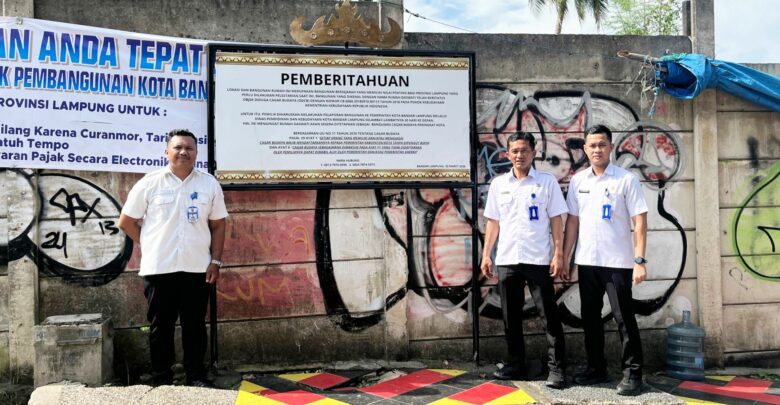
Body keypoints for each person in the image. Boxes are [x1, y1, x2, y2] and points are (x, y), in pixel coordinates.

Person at [118, 129, 227, 387]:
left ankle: (196, 376)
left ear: (196, 153)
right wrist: (150, 243)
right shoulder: (150, 183)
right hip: (159, 269)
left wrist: (216, 261)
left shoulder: (208, 184)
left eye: (189, 148)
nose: (183, 152)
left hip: (196, 267)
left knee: (195, 327)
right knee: (160, 327)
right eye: (177, 147)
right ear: (166, 152)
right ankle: (162, 379)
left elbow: (219, 225)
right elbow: (126, 221)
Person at [562, 124, 648, 395]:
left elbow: (640, 221)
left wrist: (640, 260)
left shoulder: (625, 180)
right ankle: (596, 368)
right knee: (590, 319)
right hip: (587, 262)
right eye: (592, 145)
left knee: (624, 319)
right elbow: (572, 222)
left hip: (618, 263)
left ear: (611, 147)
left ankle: (633, 374)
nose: (597, 149)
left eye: (602, 144)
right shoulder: (578, 181)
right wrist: (566, 257)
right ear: (585, 149)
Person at [481, 132, 568, 388]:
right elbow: (493, 222)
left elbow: (556, 219)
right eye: (515, 151)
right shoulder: (499, 184)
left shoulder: (546, 182)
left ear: (534, 153)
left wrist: (558, 253)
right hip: (508, 260)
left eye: (524, 150)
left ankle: (557, 369)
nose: (519, 155)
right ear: (507, 154)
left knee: (549, 317)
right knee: (510, 318)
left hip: (538, 259)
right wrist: (487, 253)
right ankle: (516, 364)